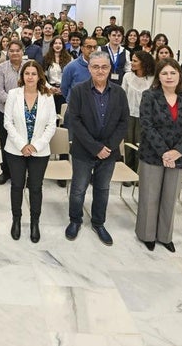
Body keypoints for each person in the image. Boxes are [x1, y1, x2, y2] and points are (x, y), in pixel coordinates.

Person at [64, 51, 129, 246]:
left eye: (104, 67)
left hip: (109, 152)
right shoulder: (78, 91)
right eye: (95, 67)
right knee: (78, 189)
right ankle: (75, 220)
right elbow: (74, 121)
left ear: (110, 69)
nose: (100, 70)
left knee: (102, 189)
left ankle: (98, 223)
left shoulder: (119, 92)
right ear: (89, 68)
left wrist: (107, 147)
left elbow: (123, 122)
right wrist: (95, 147)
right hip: (84, 150)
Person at [136, 59, 182, 253]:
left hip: (179, 157)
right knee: (149, 196)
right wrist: (164, 152)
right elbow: (146, 125)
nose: (169, 77)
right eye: (164, 73)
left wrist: (176, 152)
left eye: (173, 73)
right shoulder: (150, 96)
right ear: (158, 77)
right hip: (153, 155)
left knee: (170, 198)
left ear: (179, 75)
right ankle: (147, 235)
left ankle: (165, 236)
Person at [4, 61, 57, 243]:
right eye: (27, 73)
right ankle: (16, 220)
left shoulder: (47, 96)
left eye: (34, 74)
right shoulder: (13, 94)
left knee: (35, 188)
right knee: (17, 186)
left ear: (40, 76)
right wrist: (21, 145)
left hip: (39, 152)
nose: (30, 77)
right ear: (22, 76)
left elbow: (52, 125)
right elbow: (7, 122)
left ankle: (35, 222)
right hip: (15, 150)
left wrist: (35, 145)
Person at [0, 40, 25, 185]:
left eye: (17, 50)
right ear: (7, 52)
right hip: (5, 113)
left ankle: (23, 172)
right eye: (11, 50)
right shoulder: (1, 68)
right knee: (6, 142)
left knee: (24, 142)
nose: (14, 53)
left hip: (26, 113)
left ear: (22, 52)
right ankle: (6, 171)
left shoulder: (29, 66)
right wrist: (16, 104)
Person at [121, 50, 155, 172]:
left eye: (135, 60)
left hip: (146, 117)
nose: (132, 63)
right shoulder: (127, 76)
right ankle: (128, 171)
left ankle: (138, 172)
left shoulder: (153, 79)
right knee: (128, 144)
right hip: (129, 115)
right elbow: (122, 96)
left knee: (141, 145)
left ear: (144, 63)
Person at [61, 36, 98, 102]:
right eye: (89, 47)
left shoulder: (100, 66)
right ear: (82, 48)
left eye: (95, 47)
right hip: (76, 106)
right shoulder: (71, 66)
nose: (92, 50)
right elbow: (64, 88)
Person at [43, 36, 71, 115]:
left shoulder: (69, 59)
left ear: (63, 45)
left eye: (60, 43)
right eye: (55, 43)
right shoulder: (46, 59)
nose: (58, 45)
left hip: (64, 91)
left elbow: (71, 77)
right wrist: (50, 87)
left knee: (62, 115)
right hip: (50, 91)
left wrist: (63, 89)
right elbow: (42, 77)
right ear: (52, 45)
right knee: (50, 115)